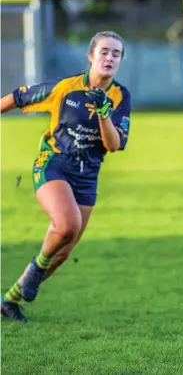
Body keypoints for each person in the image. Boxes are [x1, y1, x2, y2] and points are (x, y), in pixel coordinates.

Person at [1, 31, 131, 322]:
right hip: (55, 165)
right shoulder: (65, 88)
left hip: (88, 176)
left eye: (116, 54)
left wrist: (103, 114)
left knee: (63, 250)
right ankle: (33, 273)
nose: (109, 58)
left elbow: (113, 145)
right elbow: (18, 97)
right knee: (67, 225)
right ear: (91, 56)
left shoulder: (120, 97)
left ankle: (8, 301)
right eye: (104, 52)